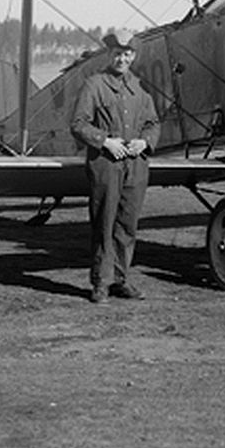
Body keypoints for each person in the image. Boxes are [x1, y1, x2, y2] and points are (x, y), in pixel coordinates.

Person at [70, 33, 159, 304]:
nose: (122, 58)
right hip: (106, 164)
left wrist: (145, 142)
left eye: (127, 54)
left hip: (136, 165)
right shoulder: (94, 85)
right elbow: (78, 124)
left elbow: (153, 123)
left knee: (127, 224)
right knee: (104, 222)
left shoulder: (141, 89)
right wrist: (105, 141)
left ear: (134, 56)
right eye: (117, 53)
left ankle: (121, 279)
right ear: (109, 55)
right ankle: (101, 283)